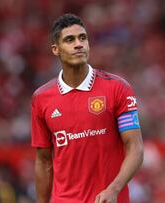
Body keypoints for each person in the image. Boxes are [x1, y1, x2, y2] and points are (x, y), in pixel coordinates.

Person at [31, 13, 144, 203]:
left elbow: (135, 147)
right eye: (70, 40)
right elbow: (43, 161)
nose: (78, 44)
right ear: (55, 49)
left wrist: (113, 189)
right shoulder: (41, 98)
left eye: (82, 38)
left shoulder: (117, 88)